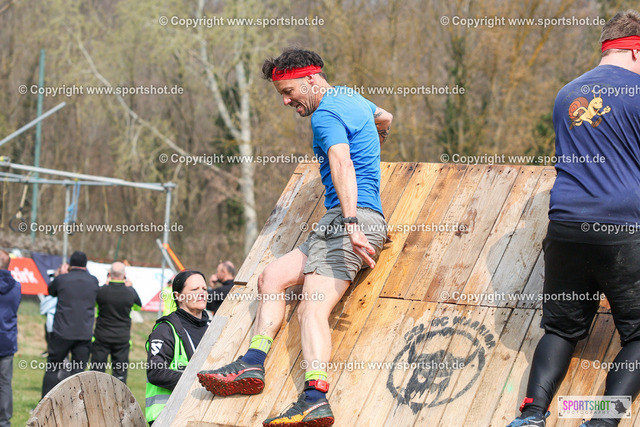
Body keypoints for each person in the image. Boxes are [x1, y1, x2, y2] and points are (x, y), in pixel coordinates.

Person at [197, 48, 393, 426]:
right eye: (281, 95)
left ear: (311, 80)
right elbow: (385, 117)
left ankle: (315, 398)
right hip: (334, 223)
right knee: (271, 277)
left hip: (352, 220)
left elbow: (341, 162)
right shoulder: (351, 97)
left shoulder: (325, 115)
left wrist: (352, 224)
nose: (286, 101)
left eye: (289, 92)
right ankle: (252, 364)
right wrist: (377, 139)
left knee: (311, 307)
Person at [507, 10, 640, 427]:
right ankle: (600, 420)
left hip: (565, 225)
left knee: (561, 330)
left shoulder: (566, 93)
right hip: (623, 229)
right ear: (636, 51)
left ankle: (532, 415)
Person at [145, 270, 211, 425]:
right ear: (178, 296)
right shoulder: (165, 329)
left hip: (204, 415)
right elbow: (156, 371)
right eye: (194, 289)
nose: (201, 293)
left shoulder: (214, 327)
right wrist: (199, 381)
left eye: (204, 289)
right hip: (169, 417)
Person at [41, 250, 99, 397]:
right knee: (78, 371)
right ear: (85, 265)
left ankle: (45, 403)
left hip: (62, 332)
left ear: (70, 264)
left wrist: (61, 274)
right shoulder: (93, 281)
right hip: (84, 334)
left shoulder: (62, 279)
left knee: (53, 368)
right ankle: (73, 403)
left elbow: (51, 291)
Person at [90, 261, 142, 384]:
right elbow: (138, 307)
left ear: (109, 274)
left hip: (101, 337)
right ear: (124, 274)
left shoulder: (101, 291)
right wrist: (130, 287)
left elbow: (94, 304)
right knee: (120, 375)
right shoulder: (130, 292)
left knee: (96, 373)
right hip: (121, 338)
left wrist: (105, 285)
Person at [0, 250, 20, 427]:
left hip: (6, 339)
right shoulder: (16, 286)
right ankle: (4, 420)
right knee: (5, 383)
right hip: (7, 339)